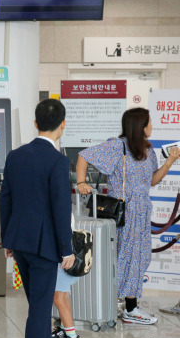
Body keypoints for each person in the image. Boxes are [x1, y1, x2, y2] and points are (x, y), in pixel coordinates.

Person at [77, 107, 180, 325]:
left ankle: (126, 305)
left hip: (142, 211)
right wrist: (81, 182)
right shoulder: (117, 146)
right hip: (124, 213)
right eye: (149, 122)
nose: (152, 126)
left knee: (139, 257)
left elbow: (151, 181)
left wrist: (170, 162)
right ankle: (129, 308)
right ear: (139, 125)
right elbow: (83, 156)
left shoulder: (147, 150)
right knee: (126, 257)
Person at [0, 98, 74, 338]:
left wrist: (7, 240)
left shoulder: (15, 156)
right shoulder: (58, 161)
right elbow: (61, 209)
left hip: (20, 242)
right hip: (45, 247)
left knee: (38, 306)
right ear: (62, 125)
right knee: (39, 313)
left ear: (35, 123)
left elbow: (5, 200)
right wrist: (67, 248)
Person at [51, 213, 82, 338]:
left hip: (62, 254)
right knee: (63, 296)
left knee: (58, 298)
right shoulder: (62, 204)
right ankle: (66, 331)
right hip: (65, 252)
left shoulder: (59, 205)